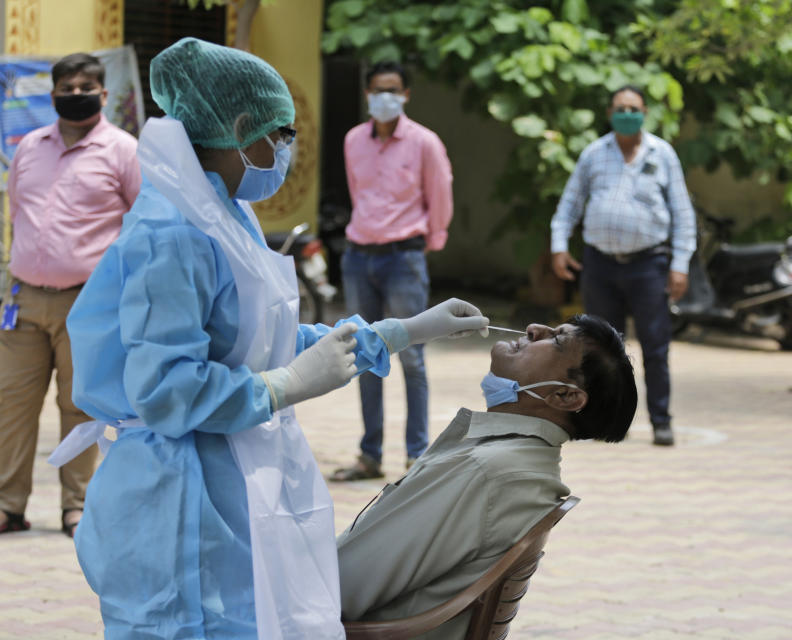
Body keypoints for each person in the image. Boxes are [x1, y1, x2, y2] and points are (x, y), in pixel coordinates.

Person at [53, 38, 486, 640]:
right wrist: (286, 386)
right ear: (239, 126)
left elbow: (266, 337)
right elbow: (166, 391)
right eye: (281, 133)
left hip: (235, 477)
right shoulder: (172, 233)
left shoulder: (225, 211)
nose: (287, 147)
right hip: (181, 494)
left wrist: (400, 332)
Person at [338, 314, 638, 639]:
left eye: (556, 340)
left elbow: (339, 586)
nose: (534, 328)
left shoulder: (489, 471)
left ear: (564, 396)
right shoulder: (515, 461)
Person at [0, 52, 140, 536]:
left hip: (91, 303)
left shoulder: (123, 150)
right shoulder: (28, 148)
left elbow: (141, 224)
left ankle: (76, 506)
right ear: (53, 91)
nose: (75, 94)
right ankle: (8, 504)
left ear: (102, 95)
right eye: (67, 86)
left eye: (86, 87)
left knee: (80, 405)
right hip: (23, 299)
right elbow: (17, 213)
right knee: (11, 401)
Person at [549, 85, 696, 447]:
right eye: (620, 107)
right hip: (600, 264)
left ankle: (661, 420)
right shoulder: (594, 154)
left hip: (649, 264)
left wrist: (680, 264)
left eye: (633, 107)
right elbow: (570, 204)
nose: (626, 113)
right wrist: (558, 246)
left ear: (645, 112)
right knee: (601, 348)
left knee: (655, 346)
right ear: (609, 112)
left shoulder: (662, 154)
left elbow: (682, 213)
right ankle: (609, 421)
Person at [332, 60, 454, 481]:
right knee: (364, 352)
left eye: (394, 89)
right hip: (358, 256)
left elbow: (440, 195)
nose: (385, 96)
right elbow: (356, 190)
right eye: (378, 89)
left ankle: (416, 456)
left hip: (404, 258)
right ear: (367, 95)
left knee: (412, 357)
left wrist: (428, 245)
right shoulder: (352, 141)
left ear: (405, 95)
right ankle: (370, 455)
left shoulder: (425, 142)